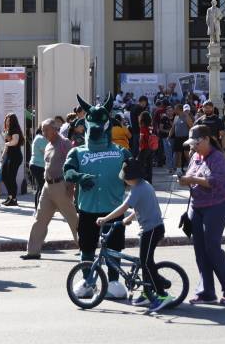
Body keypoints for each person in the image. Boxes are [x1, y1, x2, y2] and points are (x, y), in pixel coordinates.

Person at [64, 97, 129, 299]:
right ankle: (88, 281)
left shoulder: (120, 151)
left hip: (114, 208)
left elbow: (136, 173)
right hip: (88, 208)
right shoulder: (77, 152)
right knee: (87, 247)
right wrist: (79, 177)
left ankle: (113, 282)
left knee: (114, 247)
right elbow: (67, 172)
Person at [97, 158, 173, 312]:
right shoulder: (143, 185)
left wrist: (105, 218)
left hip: (152, 230)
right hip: (151, 228)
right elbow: (140, 205)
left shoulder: (138, 189)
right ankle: (147, 292)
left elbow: (123, 207)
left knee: (146, 263)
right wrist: (129, 218)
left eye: (125, 178)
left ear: (132, 178)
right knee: (145, 262)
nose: (124, 181)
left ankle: (162, 294)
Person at [179, 124, 225, 305]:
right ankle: (206, 292)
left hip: (217, 206)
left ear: (206, 139)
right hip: (197, 207)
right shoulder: (195, 156)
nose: (193, 147)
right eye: (192, 144)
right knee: (200, 249)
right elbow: (191, 176)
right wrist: (185, 180)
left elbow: (216, 181)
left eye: (196, 143)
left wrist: (192, 179)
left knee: (212, 247)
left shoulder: (217, 157)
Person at [22, 118, 80, 259]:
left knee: (72, 218)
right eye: (42, 130)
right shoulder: (48, 145)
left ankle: (85, 248)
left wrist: (71, 186)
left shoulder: (65, 143)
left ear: (55, 129)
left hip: (61, 186)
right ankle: (33, 252)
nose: (44, 133)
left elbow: (73, 164)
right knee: (40, 219)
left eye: (46, 130)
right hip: (47, 187)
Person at [1, 112, 25, 206]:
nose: (7, 122)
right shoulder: (7, 130)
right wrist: (2, 156)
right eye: (6, 120)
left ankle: (13, 199)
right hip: (9, 156)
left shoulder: (15, 130)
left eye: (9, 121)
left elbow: (15, 142)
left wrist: (6, 143)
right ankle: (10, 196)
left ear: (13, 122)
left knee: (11, 177)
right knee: (4, 176)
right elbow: (7, 146)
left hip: (15, 156)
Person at [29, 125, 48, 209]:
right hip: (38, 166)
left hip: (38, 165)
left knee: (41, 187)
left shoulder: (41, 138)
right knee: (42, 188)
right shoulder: (40, 139)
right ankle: (38, 209)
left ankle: (39, 208)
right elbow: (47, 153)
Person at [171, 105, 192, 173]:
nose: (174, 111)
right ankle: (179, 171)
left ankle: (193, 169)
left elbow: (192, 127)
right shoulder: (176, 117)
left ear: (179, 109)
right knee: (178, 155)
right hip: (177, 138)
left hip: (186, 138)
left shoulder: (186, 117)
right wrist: (169, 136)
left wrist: (191, 137)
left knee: (187, 155)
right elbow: (173, 128)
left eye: (175, 109)